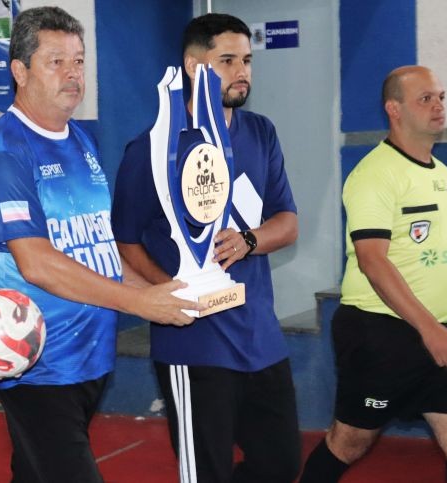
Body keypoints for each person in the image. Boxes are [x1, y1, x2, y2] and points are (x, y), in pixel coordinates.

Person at [0, 7, 201, 482]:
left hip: (90, 358)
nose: (73, 73)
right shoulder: (4, 153)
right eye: (56, 62)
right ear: (19, 70)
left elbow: (100, 247)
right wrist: (140, 302)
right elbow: (36, 263)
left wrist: (165, 289)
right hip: (36, 363)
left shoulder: (81, 139)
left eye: (78, 60)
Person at [112, 13, 302, 483]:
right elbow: (125, 242)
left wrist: (249, 240)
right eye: (228, 60)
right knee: (206, 474)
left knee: (280, 465)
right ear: (195, 67)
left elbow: (288, 222)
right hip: (194, 345)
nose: (243, 71)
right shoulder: (152, 148)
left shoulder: (261, 133)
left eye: (248, 61)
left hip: (261, 338)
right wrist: (171, 291)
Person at [299, 66, 447, 483]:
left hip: (438, 333)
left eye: (441, 97)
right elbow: (373, 260)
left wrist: (439, 330)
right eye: (425, 99)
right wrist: (429, 329)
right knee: (349, 441)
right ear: (394, 109)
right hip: (381, 334)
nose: (438, 106)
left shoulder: (440, 173)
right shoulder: (374, 174)